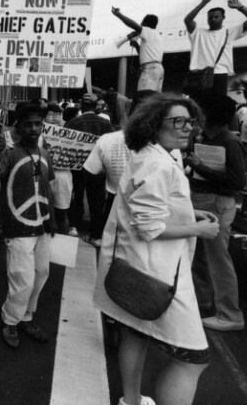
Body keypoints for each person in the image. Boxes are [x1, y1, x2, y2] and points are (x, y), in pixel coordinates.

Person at [94, 94, 219, 405]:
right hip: (158, 275)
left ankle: (131, 401)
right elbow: (149, 228)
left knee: (135, 333)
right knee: (194, 359)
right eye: (177, 121)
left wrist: (190, 214)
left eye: (190, 121)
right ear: (152, 126)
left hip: (139, 269)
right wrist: (198, 229)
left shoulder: (155, 155)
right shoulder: (157, 162)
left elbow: (153, 209)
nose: (187, 127)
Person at [0, 103, 55, 349]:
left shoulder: (45, 154)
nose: (34, 129)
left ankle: (26, 317)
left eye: (38, 124)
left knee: (41, 274)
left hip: (42, 226)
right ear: (19, 126)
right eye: (28, 124)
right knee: (21, 278)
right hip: (17, 227)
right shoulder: (9, 152)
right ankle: (10, 320)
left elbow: (47, 187)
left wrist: (52, 219)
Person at [184, 95, 246, 331]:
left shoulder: (230, 142)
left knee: (219, 260)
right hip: (201, 198)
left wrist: (200, 166)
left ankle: (230, 315)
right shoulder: (203, 138)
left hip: (217, 203)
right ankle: (204, 302)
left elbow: (236, 181)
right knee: (200, 255)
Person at [83, 91, 158, 245]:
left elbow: (91, 173)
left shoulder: (108, 140)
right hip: (154, 209)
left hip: (115, 204)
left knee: (111, 250)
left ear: (130, 110)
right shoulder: (169, 147)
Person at [183, 0, 247, 98]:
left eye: (216, 17)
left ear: (223, 17)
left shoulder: (229, 32)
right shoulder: (198, 33)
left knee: (218, 106)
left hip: (220, 74)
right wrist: (202, 4)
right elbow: (187, 20)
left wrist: (240, 7)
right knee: (199, 106)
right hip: (199, 74)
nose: (213, 19)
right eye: (210, 18)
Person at [66, 93, 114, 241]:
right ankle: (96, 234)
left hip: (76, 167)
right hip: (98, 168)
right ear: (96, 106)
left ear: (81, 105)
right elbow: (111, 145)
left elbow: (64, 145)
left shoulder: (73, 122)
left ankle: (74, 225)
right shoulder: (106, 124)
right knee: (97, 201)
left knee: (76, 196)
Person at [112, 8, 164, 92]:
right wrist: (136, 45)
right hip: (158, 69)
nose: (140, 24)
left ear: (146, 24)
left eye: (142, 23)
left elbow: (132, 24)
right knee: (153, 99)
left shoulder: (147, 30)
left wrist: (119, 14)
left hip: (149, 69)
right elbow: (145, 54)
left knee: (143, 96)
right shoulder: (157, 36)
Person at [43, 103, 73, 234]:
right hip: (43, 177)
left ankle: (63, 240)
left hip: (62, 177)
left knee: (62, 212)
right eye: (51, 115)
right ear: (44, 117)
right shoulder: (38, 133)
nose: (55, 118)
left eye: (58, 115)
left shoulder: (70, 134)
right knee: (44, 212)